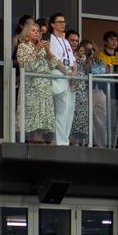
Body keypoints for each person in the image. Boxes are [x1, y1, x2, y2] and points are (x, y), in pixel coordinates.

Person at [14, 15, 55, 144]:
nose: (37, 33)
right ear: (27, 32)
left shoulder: (43, 47)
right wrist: (36, 49)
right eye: (34, 31)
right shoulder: (23, 47)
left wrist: (48, 51)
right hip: (31, 86)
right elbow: (27, 66)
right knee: (33, 115)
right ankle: (33, 141)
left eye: (38, 31)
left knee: (43, 116)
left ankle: (39, 139)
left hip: (44, 87)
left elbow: (53, 65)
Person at [46, 12, 77, 146]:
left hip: (69, 76)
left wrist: (74, 75)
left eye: (64, 22)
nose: (63, 24)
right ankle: (60, 141)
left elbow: (73, 60)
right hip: (59, 74)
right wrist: (67, 72)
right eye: (59, 22)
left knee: (70, 110)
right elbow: (54, 59)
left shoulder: (65, 41)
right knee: (61, 110)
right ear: (53, 24)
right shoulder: (50, 39)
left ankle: (65, 139)